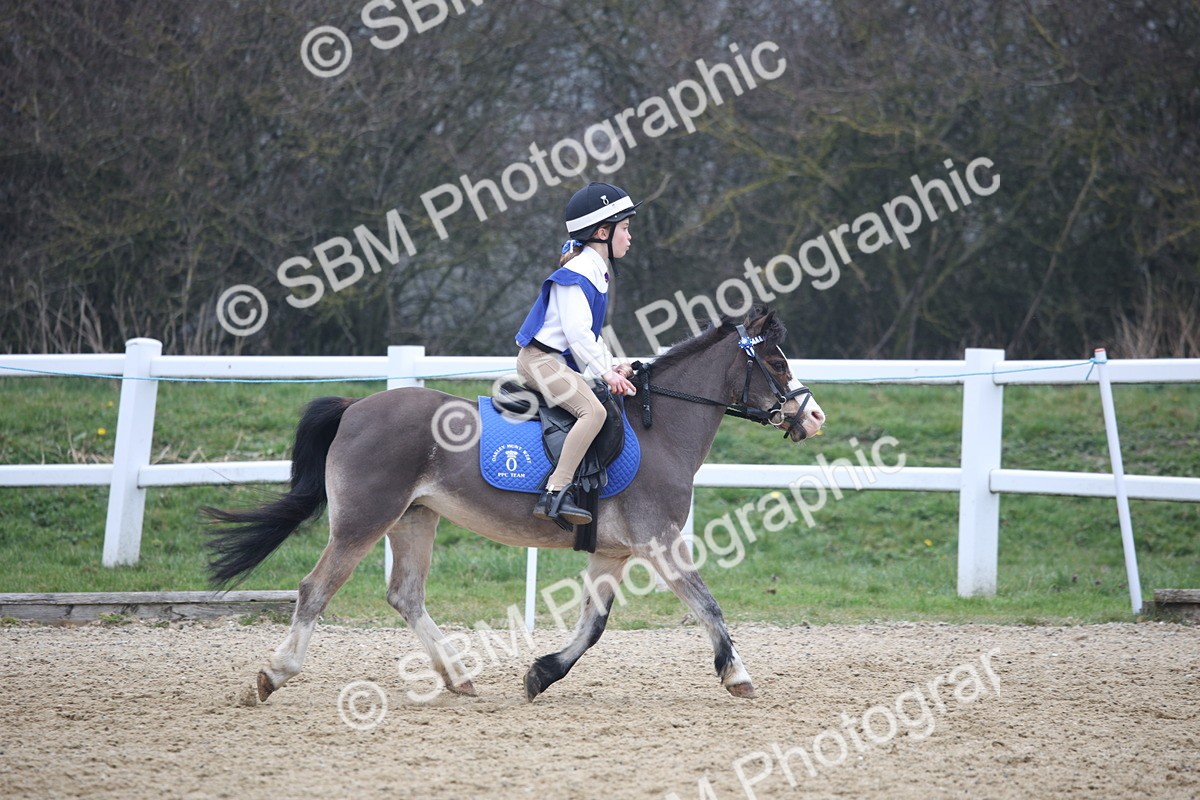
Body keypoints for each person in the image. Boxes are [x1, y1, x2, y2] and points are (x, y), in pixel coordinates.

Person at [514, 182, 640, 525]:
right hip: (540, 362)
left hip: (554, 361)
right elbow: (577, 334)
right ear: (602, 232)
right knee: (592, 412)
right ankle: (556, 492)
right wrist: (605, 372)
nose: (629, 237)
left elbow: (591, 337)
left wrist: (612, 364)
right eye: (625, 229)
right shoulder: (577, 274)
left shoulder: (594, 272)